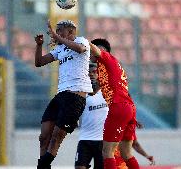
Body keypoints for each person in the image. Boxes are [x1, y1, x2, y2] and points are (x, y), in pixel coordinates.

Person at [34, 20, 93, 169]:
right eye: (57, 31)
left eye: (60, 31)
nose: (57, 34)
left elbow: (79, 49)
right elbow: (39, 62)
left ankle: (41, 167)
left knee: (56, 138)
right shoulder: (60, 49)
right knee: (44, 137)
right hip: (61, 95)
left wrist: (56, 37)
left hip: (75, 97)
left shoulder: (81, 41)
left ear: (71, 32)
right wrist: (39, 45)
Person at [75, 63, 155, 169]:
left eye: (94, 72)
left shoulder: (110, 93)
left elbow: (125, 106)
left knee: (117, 156)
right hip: (85, 139)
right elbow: (75, 112)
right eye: (88, 73)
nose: (91, 75)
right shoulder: (81, 94)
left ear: (100, 75)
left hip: (103, 140)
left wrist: (132, 119)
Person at [89, 38, 139, 169]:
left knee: (107, 152)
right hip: (128, 107)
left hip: (118, 106)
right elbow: (94, 91)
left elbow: (93, 48)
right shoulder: (106, 69)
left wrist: (78, 39)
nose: (89, 54)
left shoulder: (108, 59)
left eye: (91, 51)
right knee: (126, 153)